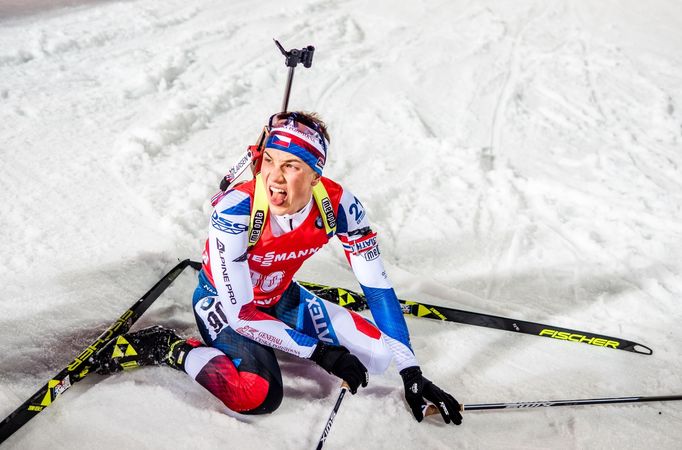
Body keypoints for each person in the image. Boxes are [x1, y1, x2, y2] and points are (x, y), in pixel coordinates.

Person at [94, 111, 463, 425]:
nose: (274, 177)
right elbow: (241, 315)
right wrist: (320, 353)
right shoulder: (236, 209)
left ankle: (293, 328)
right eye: (269, 161)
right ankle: (169, 348)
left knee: (381, 356)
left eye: (291, 166)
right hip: (223, 303)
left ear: (316, 175)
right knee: (256, 395)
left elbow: (378, 289)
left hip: (279, 295)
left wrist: (412, 373)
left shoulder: (339, 206)